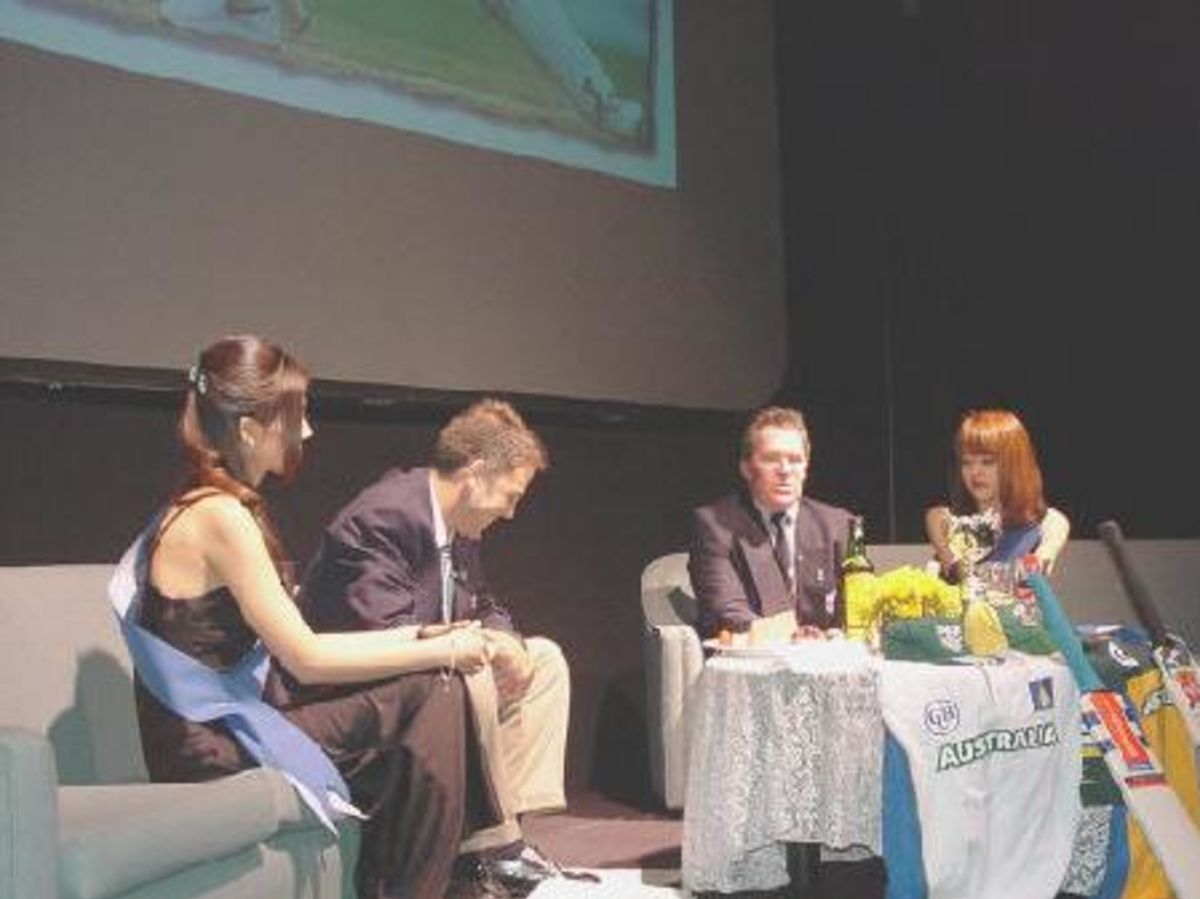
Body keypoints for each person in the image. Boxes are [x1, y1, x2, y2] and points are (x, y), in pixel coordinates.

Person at [122, 335, 500, 899]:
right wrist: (440, 650)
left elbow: (304, 646)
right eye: (296, 417)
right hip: (210, 746)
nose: (307, 432)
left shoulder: (210, 503)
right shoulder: (219, 515)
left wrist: (419, 635)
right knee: (435, 691)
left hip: (234, 720)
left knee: (423, 693)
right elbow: (308, 657)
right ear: (251, 428)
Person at [299, 398, 574, 898]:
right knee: (469, 668)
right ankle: (495, 851)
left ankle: (503, 834)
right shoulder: (383, 518)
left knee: (544, 660)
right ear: (473, 475)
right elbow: (388, 631)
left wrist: (507, 640)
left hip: (428, 681)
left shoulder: (459, 527)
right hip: (353, 701)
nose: (511, 513)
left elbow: (483, 603)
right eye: (510, 497)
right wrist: (482, 644)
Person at [688, 405, 856, 640]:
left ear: (806, 467)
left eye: (795, 460)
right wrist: (790, 638)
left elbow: (857, 609)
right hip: (752, 661)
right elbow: (727, 610)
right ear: (746, 468)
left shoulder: (838, 524)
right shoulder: (715, 525)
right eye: (771, 459)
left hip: (826, 659)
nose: (785, 470)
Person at [924, 408, 1070, 581]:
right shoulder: (954, 526)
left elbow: (1052, 527)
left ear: (1015, 463)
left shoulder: (1047, 523)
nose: (975, 472)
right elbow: (935, 515)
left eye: (987, 462)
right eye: (966, 463)